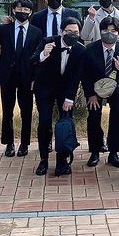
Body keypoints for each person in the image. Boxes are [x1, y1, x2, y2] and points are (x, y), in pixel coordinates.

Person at [0, 0, 42, 158]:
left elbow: (38, 58)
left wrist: (35, 78)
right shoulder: (5, 29)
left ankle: (24, 143)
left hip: (27, 77)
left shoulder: (37, 32)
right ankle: (9, 143)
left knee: (26, 111)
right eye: (19, 9)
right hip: (7, 76)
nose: (22, 12)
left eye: (25, 9)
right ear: (13, 10)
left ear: (30, 12)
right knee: (7, 111)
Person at [30, 16, 86, 176]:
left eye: (76, 32)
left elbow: (76, 77)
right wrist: (43, 54)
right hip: (44, 88)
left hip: (65, 91)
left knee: (65, 123)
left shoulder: (81, 50)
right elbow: (32, 61)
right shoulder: (48, 42)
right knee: (45, 121)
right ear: (62, 32)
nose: (73, 35)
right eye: (69, 31)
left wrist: (70, 98)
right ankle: (43, 160)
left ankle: (63, 160)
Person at [81, 16, 119, 168]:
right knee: (93, 118)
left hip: (117, 89)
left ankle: (114, 152)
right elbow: (85, 74)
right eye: (105, 30)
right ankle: (95, 151)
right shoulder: (91, 49)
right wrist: (90, 94)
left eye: (113, 30)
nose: (109, 33)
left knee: (117, 119)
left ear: (118, 33)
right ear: (100, 31)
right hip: (95, 90)